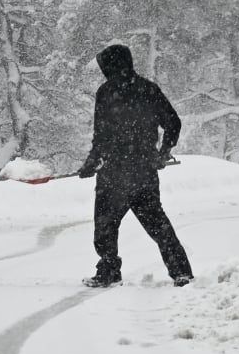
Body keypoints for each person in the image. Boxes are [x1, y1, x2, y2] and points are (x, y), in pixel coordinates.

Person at [78, 44, 194, 288]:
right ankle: (180, 272)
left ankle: (109, 269)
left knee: (106, 227)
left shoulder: (108, 92)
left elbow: (101, 135)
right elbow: (172, 122)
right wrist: (163, 152)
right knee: (157, 225)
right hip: (140, 172)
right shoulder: (147, 89)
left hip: (116, 174)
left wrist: (93, 161)